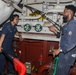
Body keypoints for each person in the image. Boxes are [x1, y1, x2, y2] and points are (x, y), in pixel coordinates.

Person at [49, 5, 76, 75]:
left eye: (64, 12)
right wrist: (54, 31)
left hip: (67, 55)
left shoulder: (73, 25)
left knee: (61, 73)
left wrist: (59, 50)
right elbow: (62, 36)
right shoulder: (67, 25)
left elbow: (72, 42)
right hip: (64, 54)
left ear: (69, 13)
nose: (63, 14)